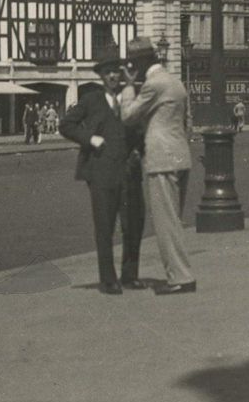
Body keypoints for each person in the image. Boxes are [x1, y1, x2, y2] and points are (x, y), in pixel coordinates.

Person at [60, 49, 146, 295]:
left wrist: (140, 149)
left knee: (133, 225)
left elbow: (140, 130)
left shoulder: (130, 98)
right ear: (101, 76)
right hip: (101, 172)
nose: (112, 77)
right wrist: (90, 139)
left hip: (129, 171)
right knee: (104, 226)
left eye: (115, 72)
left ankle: (130, 276)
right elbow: (66, 125)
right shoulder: (92, 100)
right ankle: (108, 280)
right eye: (107, 73)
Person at [120, 37, 196, 295]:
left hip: (161, 159)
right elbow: (187, 122)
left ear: (139, 63)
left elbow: (128, 116)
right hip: (180, 155)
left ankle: (180, 277)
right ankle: (182, 273)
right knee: (174, 219)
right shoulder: (175, 81)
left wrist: (129, 86)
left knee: (166, 223)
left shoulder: (153, 85)